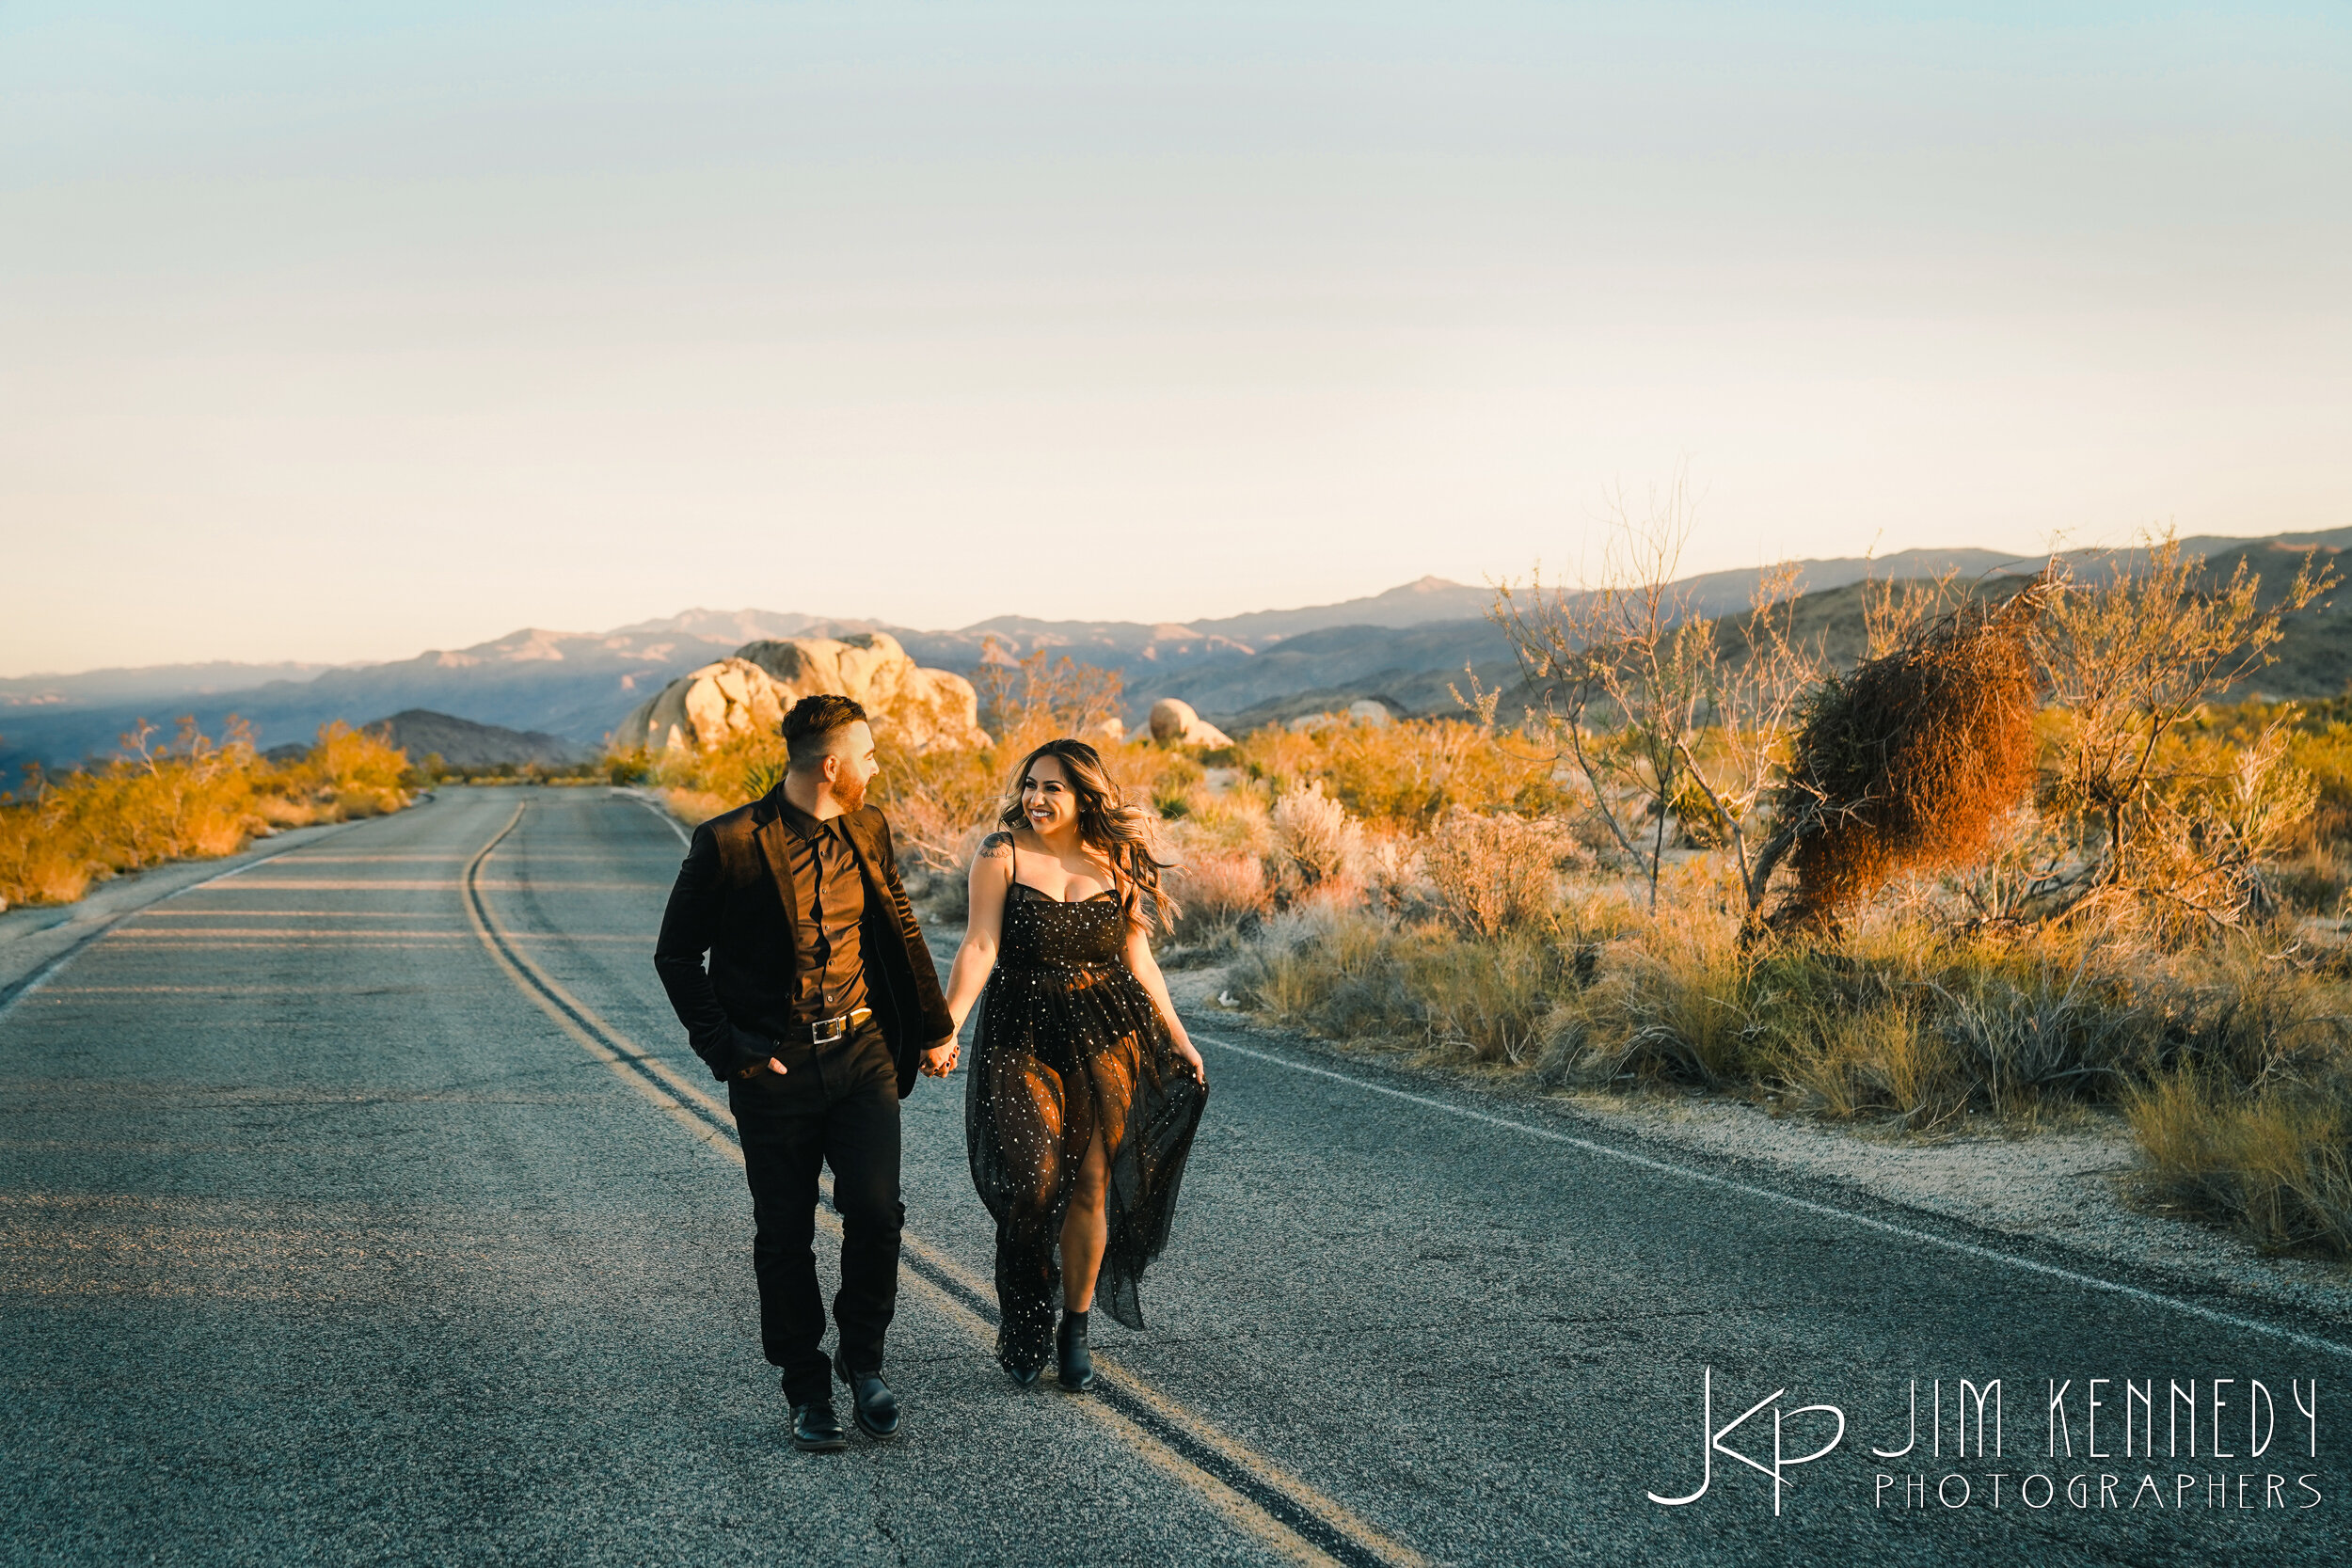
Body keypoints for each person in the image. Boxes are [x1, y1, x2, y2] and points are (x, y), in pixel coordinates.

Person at [653, 693, 958, 1452]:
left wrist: (932, 1028)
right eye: (869, 753)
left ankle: (866, 1362)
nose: (876, 764)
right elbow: (675, 955)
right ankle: (806, 1386)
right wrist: (731, 1049)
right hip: (774, 1073)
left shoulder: (869, 826)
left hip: (862, 1055)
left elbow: (901, 921)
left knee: (877, 1211)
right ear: (831, 765)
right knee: (785, 1233)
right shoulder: (728, 842)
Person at [939, 737, 1210, 1389]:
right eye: (1030, 784)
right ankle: (1027, 1311)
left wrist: (1177, 1035)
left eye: (1052, 787)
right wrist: (944, 1026)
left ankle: (1075, 1326)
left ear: (1085, 793)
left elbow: (1140, 962)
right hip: (1020, 1029)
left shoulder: (1117, 858)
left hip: (1105, 1030)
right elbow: (979, 943)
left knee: (1090, 1184)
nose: (1035, 798)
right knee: (1033, 1182)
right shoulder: (1000, 852)